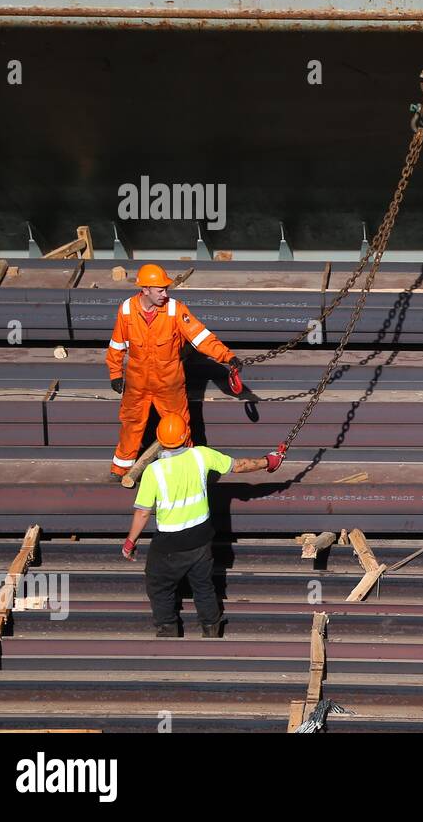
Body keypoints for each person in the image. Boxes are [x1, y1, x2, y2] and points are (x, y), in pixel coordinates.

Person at [122, 414, 283, 637]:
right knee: (203, 585)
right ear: (186, 435)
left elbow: (142, 512)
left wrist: (130, 541)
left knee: (159, 585)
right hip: (201, 537)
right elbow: (239, 465)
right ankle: (211, 628)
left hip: (170, 543)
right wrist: (269, 461)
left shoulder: (154, 471)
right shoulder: (201, 456)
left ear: (159, 439)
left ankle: (168, 628)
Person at [105, 263, 242, 480]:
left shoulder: (175, 310)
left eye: (166, 289)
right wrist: (115, 374)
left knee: (179, 426)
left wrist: (227, 356)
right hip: (137, 382)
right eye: (160, 290)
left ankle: (186, 468)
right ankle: (120, 469)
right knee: (131, 424)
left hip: (169, 384)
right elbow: (117, 345)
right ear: (145, 289)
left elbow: (200, 337)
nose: (165, 294)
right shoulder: (127, 310)